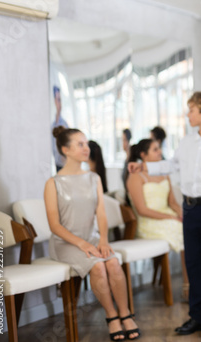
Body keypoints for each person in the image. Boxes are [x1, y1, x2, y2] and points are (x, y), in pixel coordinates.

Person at [129, 91, 201, 337]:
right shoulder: (187, 142)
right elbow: (172, 165)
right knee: (193, 262)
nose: (187, 114)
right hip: (189, 208)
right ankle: (197, 316)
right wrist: (144, 165)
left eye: (191, 110)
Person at [44, 126, 140, 341]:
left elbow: (101, 214)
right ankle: (111, 317)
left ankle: (126, 314)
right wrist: (82, 244)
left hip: (93, 238)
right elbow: (54, 225)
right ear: (65, 150)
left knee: (113, 263)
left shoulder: (94, 178)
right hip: (65, 243)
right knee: (98, 265)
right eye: (80, 144)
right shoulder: (53, 183)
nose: (86, 148)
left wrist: (103, 240)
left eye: (86, 143)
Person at [125, 138, 189, 300]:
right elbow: (142, 210)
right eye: (155, 149)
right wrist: (171, 217)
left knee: (191, 226)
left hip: (169, 217)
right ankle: (188, 287)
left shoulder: (164, 173)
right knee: (185, 232)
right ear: (143, 155)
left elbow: (172, 202)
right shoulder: (135, 177)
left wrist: (181, 213)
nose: (160, 152)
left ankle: (198, 283)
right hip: (149, 222)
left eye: (159, 148)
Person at [51, 86, 68, 172]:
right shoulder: (54, 125)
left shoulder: (64, 123)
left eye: (60, 100)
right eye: (57, 100)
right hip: (59, 164)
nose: (59, 104)